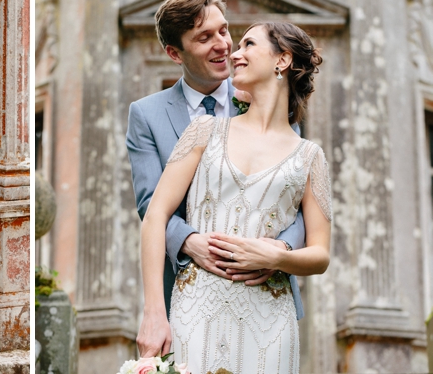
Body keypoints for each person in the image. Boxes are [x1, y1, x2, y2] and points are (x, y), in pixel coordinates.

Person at [137, 21, 331, 373]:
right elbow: (155, 217)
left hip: (270, 322)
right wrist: (155, 313)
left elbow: (320, 255)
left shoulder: (310, 157)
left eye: (248, 44)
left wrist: (276, 256)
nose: (234, 53)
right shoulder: (204, 131)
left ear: (282, 59)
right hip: (195, 311)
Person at [126, 0, 307, 323]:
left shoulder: (264, 97)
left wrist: (280, 250)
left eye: (223, 30)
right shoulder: (146, 115)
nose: (223, 45)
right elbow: (150, 203)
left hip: (266, 290)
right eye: (204, 37)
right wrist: (190, 242)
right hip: (189, 290)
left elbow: (297, 194)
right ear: (174, 53)